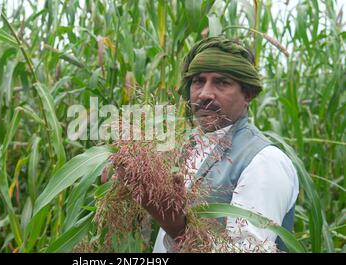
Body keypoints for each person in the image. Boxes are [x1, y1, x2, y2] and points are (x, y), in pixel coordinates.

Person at [103, 36, 299, 252]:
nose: (205, 94)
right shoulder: (190, 146)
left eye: (222, 82)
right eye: (198, 81)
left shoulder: (264, 162)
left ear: (248, 94)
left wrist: (179, 230)